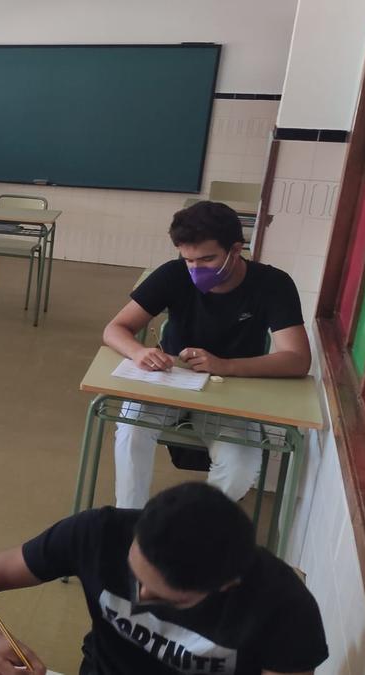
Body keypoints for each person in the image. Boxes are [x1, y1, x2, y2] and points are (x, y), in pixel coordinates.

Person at [0, 482, 328, 675]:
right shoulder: (100, 531)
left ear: (226, 585)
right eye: (135, 572)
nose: (139, 596)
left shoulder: (284, 608)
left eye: (163, 597)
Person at [102, 201, 311, 508]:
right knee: (131, 433)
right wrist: (139, 352)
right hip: (170, 381)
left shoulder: (272, 284)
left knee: (239, 466)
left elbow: (297, 359)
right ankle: (130, 524)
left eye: (208, 259)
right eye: (189, 260)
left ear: (236, 249)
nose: (197, 269)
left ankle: (193, 533)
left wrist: (225, 365)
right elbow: (115, 329)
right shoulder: (173, 274)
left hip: (233, 390)